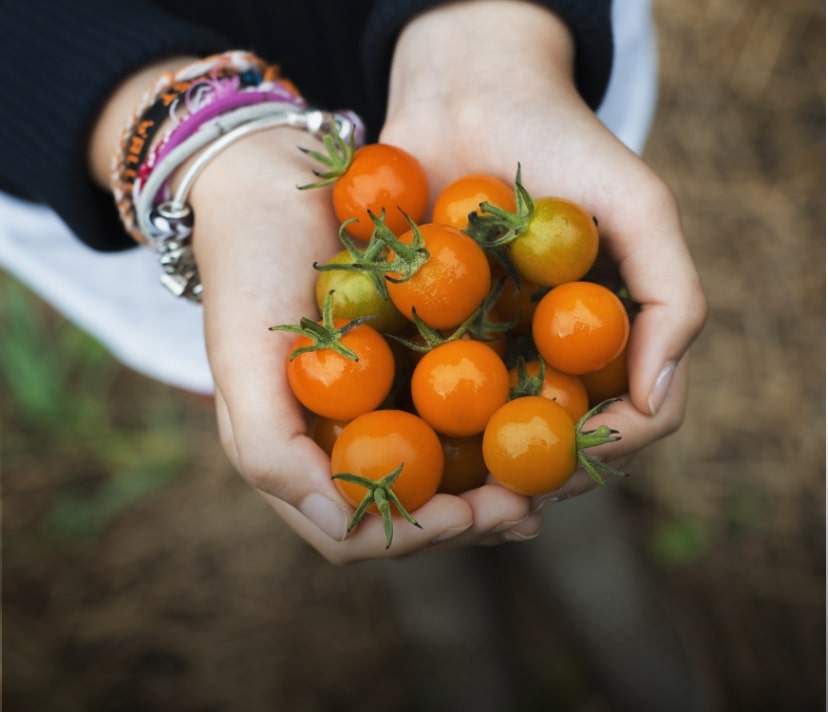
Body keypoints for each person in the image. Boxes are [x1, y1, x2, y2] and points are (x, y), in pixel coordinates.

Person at [0, 0, 706, 564]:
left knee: (547, 447)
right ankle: (449, 576)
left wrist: (493, 28)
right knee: (271, 401)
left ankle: (573, 537)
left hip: (529, 72)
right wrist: (201, 152)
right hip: (177, 199)